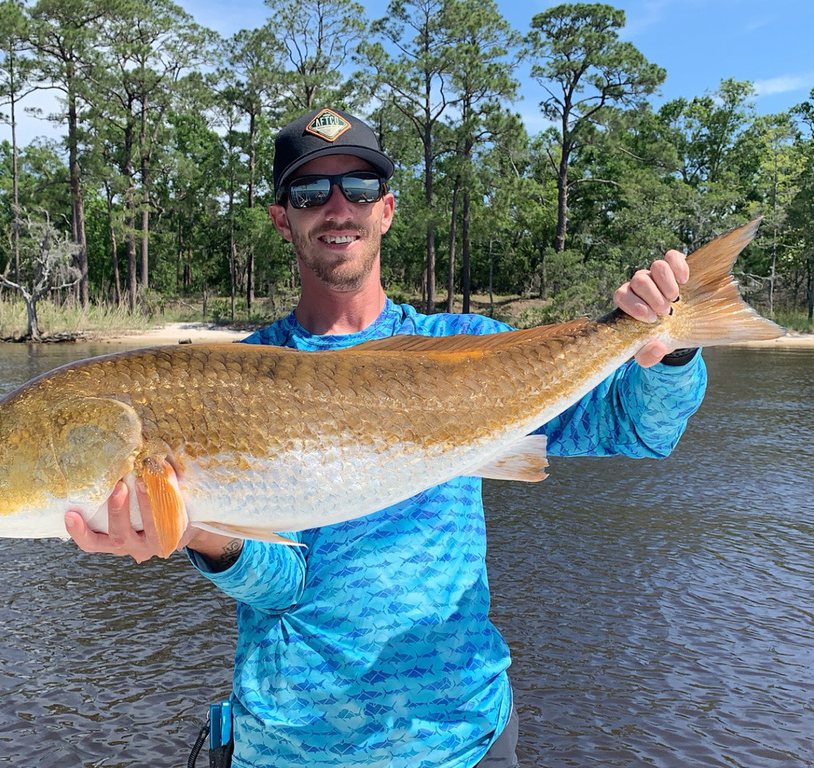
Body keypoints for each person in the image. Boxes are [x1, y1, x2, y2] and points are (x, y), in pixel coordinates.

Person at [65, 108, 707, 768]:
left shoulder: (470, 350)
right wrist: (195, 529)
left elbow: (636, 428)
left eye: (360, 189)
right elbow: (283, 584)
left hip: (462, 741)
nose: (338, 208)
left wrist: (671, 348)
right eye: (312, 193)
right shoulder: (227, 380)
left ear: (388, 210)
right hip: (291, 748)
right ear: (283, 217)